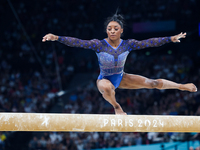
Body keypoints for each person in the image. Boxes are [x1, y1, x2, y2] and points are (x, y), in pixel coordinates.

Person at [42, 14, 197, 115]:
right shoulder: (99, 44)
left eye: (116, 28)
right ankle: (116, 107)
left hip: (122, 77)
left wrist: (170, 39)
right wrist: (57, 37)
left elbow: (149, 42)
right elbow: (78, 42)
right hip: (104, 78)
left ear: (121, 30)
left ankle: (181, 86)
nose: (112, 31)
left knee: (153, 83)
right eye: (109, 29)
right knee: (107, 88)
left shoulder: (128, 44)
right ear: (106, 31)